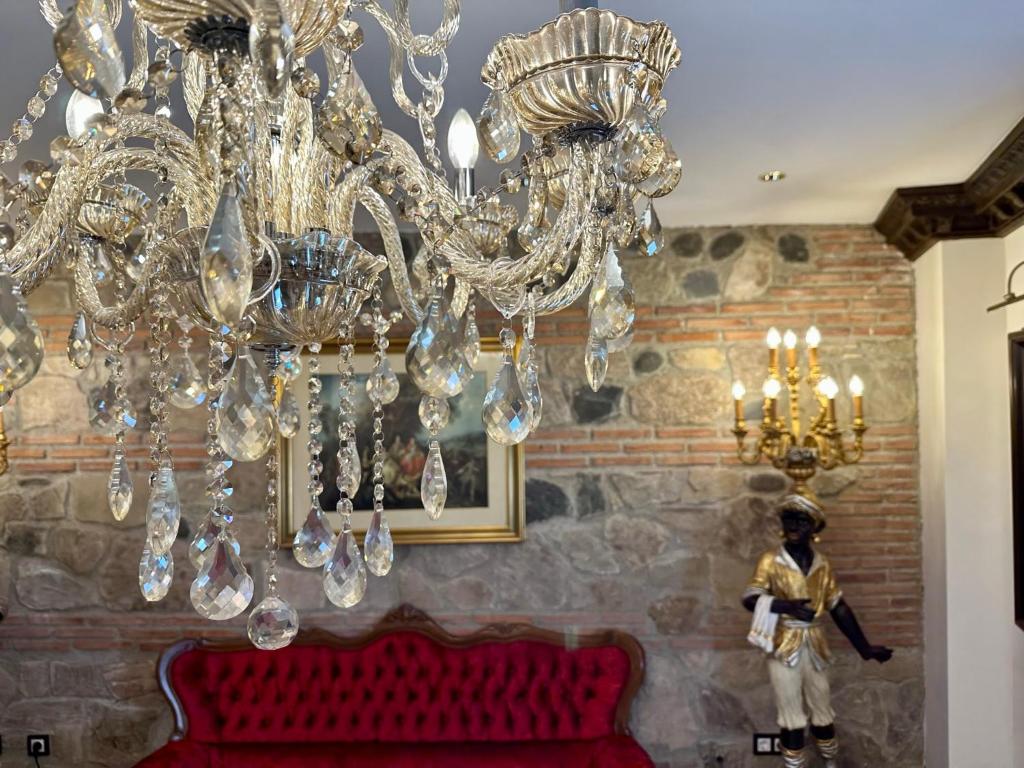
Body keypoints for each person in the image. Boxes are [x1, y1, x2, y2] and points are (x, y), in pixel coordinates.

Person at [741, 491, 893, 768]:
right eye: (789, 519)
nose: (794, 526)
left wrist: (865, 648)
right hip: (783, 646)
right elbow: (750, 597)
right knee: (791, 715)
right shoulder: (771, 560)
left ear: (814, 527)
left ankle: (829, 762)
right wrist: (785, 606)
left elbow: (838, 606)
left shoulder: (822, 564)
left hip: (816, 646)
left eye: (802, 521)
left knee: (823, 710)